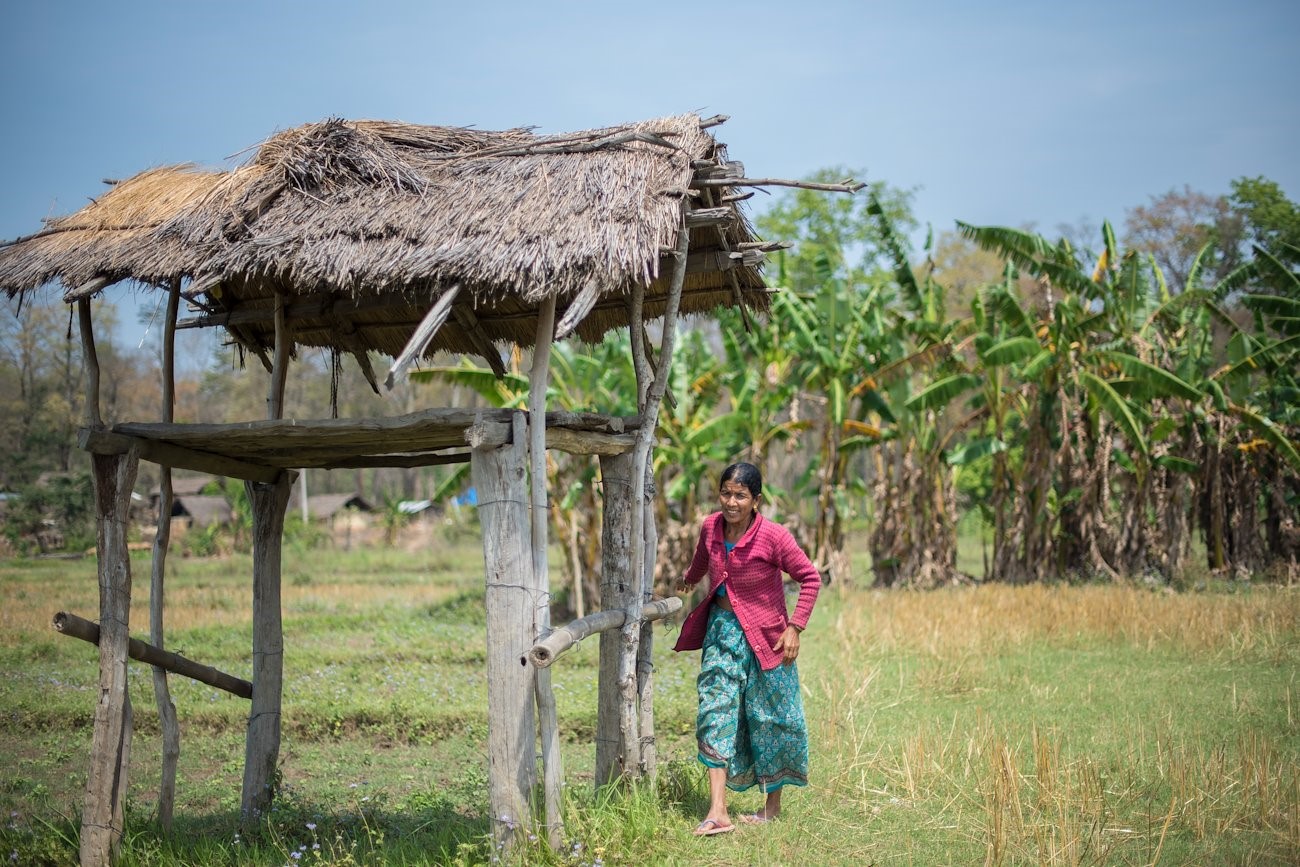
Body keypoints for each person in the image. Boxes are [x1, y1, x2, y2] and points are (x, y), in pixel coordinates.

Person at [673, 462, 822, 836]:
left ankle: (771, 807)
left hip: (768, 638)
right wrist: (688, 582)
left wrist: (795, 627)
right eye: (726, 493)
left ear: (756, 500)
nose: (731, 501)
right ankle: (718, 810)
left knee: (770, 717)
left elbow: (810, 577)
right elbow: (702, 562)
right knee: (715, 709)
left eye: (740, 495)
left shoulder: (774, 536)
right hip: (722, 632)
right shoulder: (709, 527)